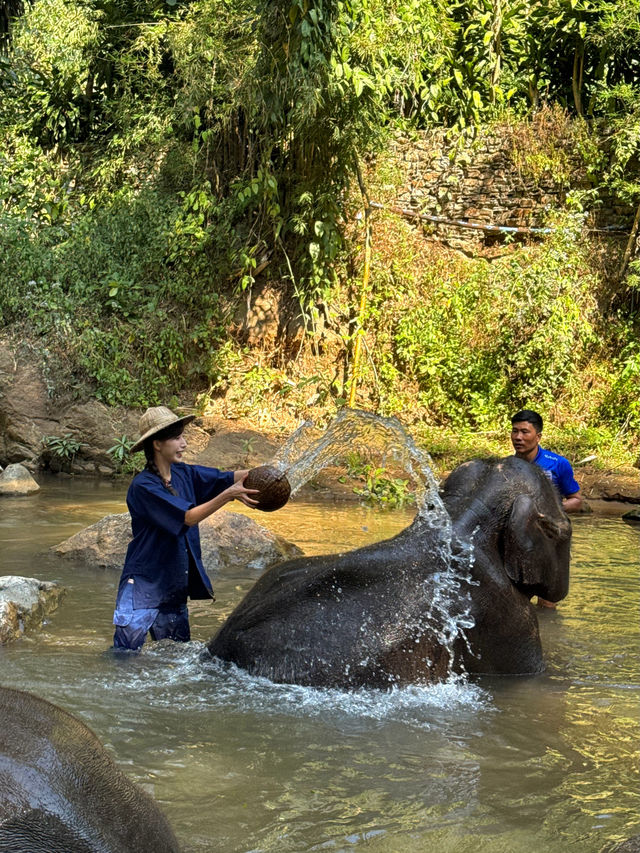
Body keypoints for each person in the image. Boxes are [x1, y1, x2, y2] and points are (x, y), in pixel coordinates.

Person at [112, 406, 259, 651]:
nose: (185, 443)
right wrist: (228, 496)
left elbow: (227, 478)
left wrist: (268, 473)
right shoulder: (144, 486)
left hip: (172, 588)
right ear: (157, 444)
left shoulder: (184, 473)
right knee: (124, 660)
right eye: (177, 438)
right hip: (142, 590)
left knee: (175, 661)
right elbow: (187, 518)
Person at [510, 408, 582, 608]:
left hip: (551, 537)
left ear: (538, 436)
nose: (518, 437)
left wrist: (550, 511)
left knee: (548, 604)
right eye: (514, 431)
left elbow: (576, 500)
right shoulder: (506, 466)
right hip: (518, 538)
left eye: (525, 432)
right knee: (517, 600)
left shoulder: (558, 464)